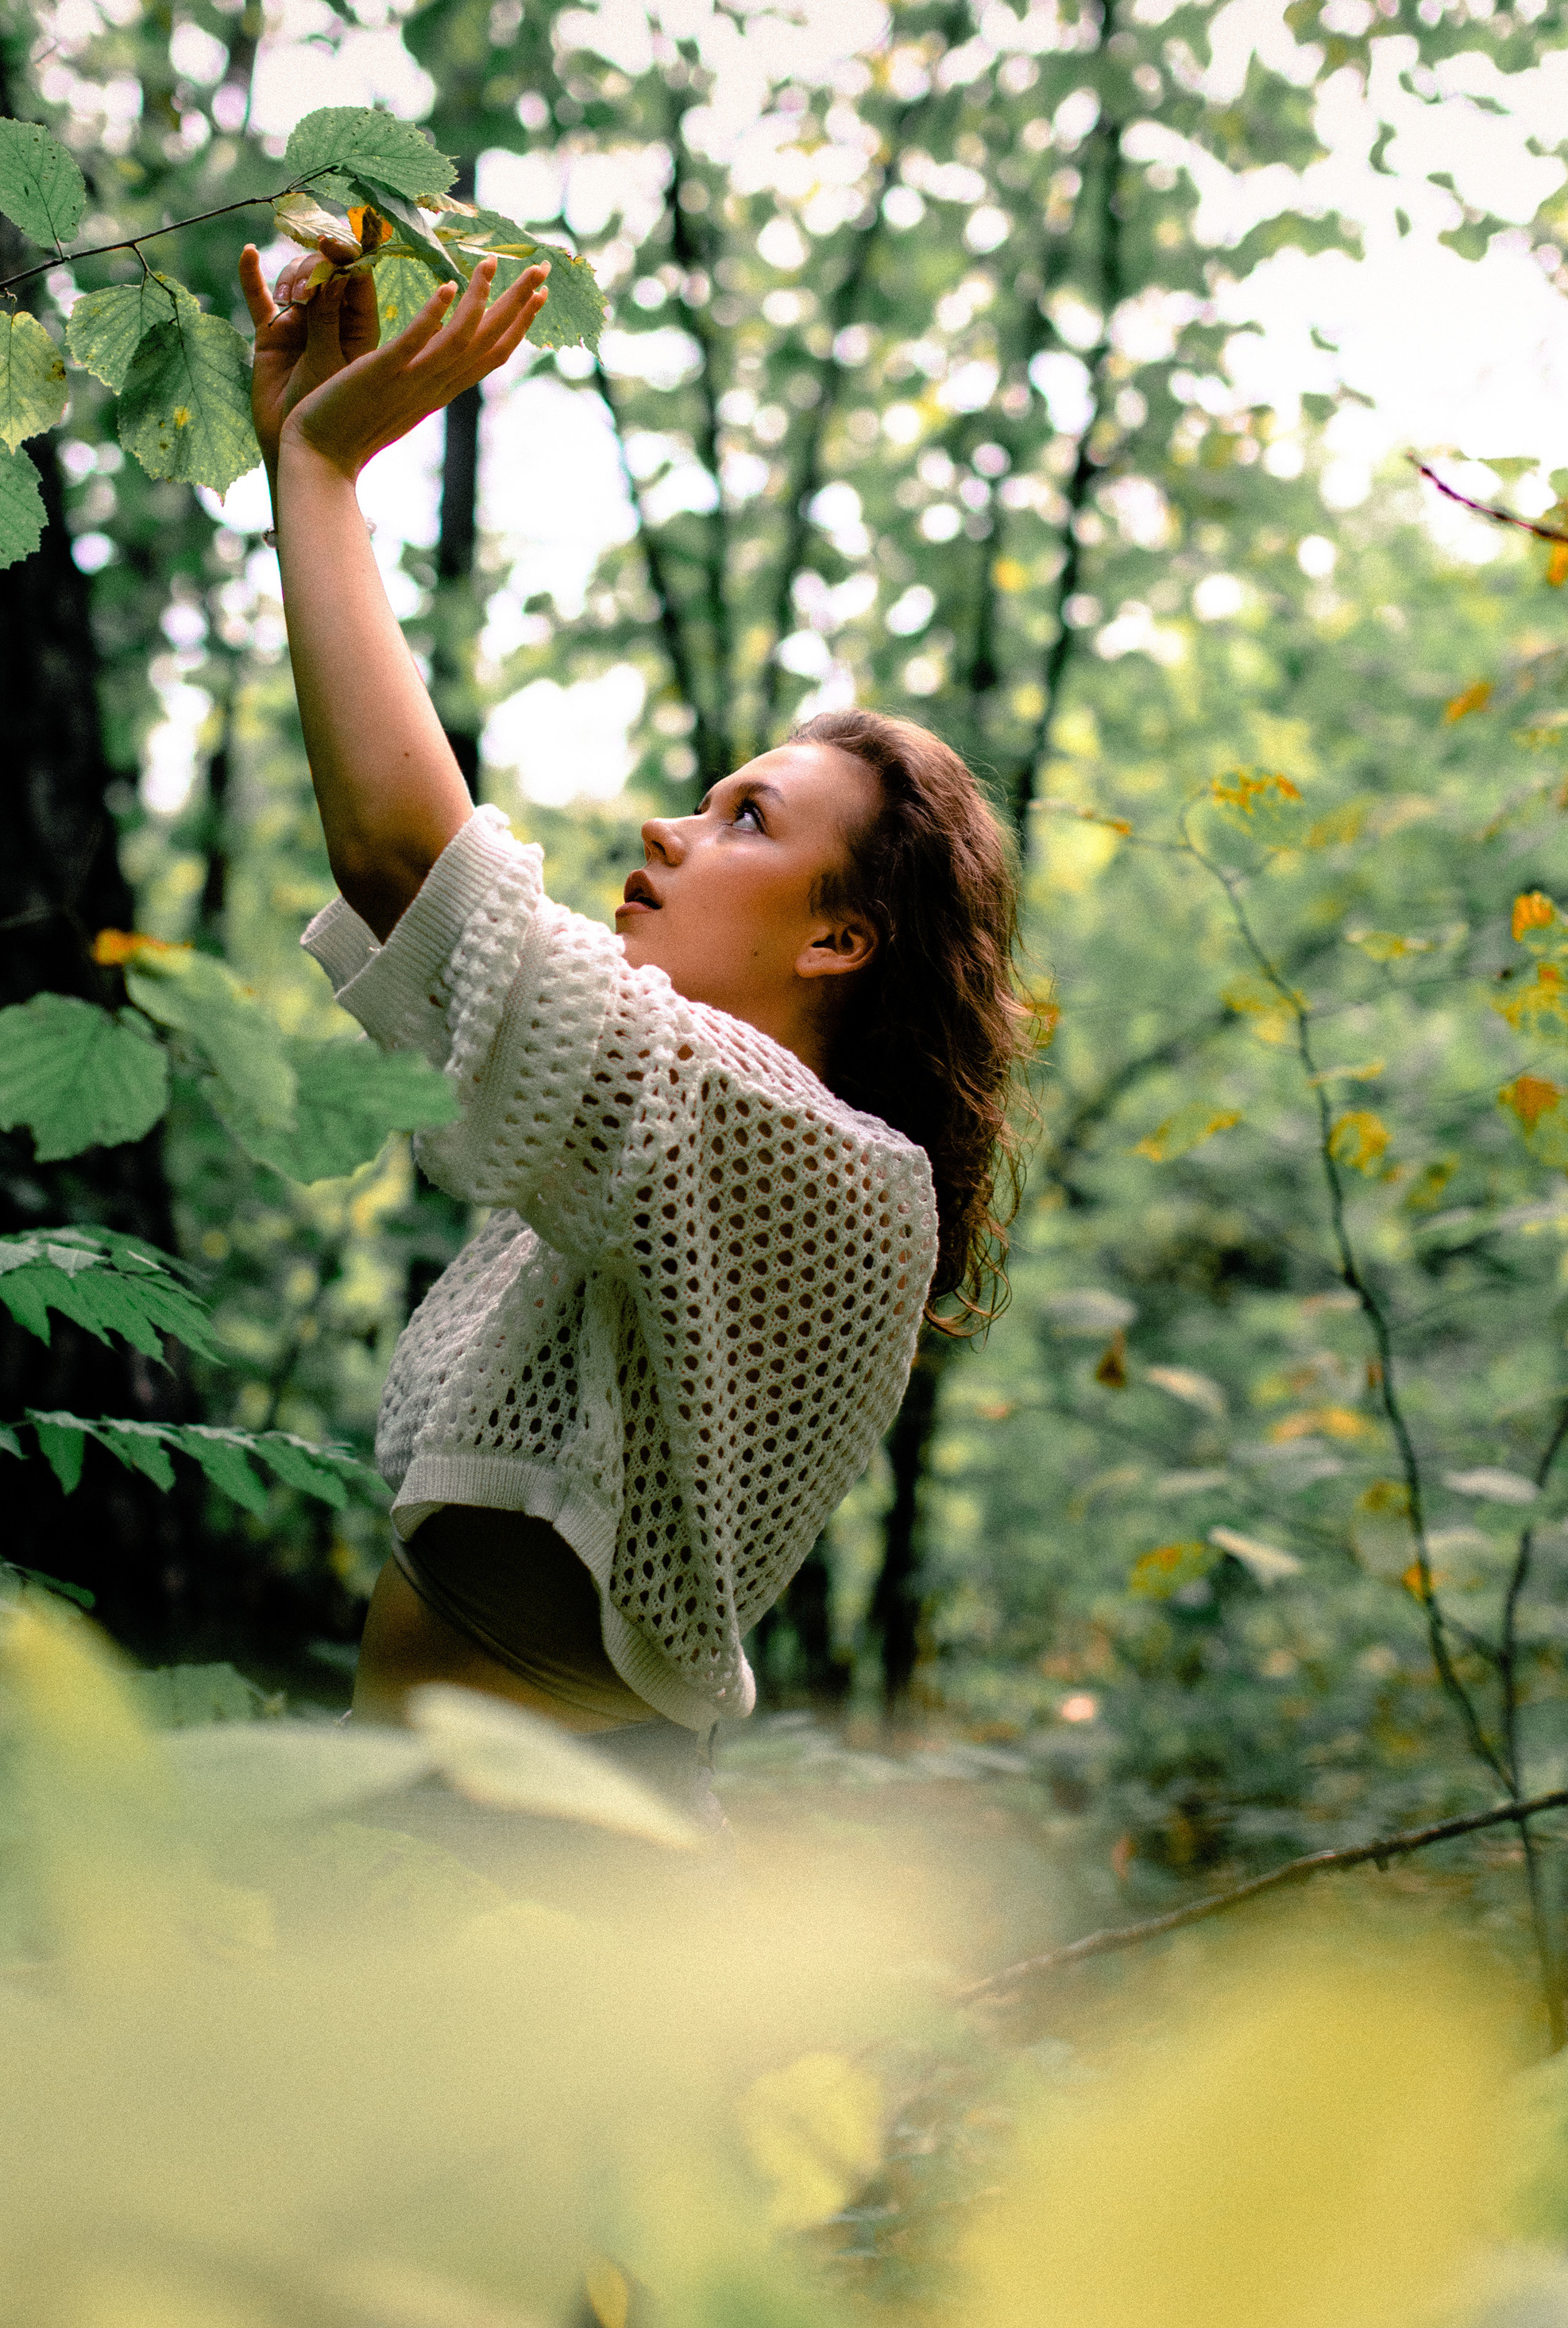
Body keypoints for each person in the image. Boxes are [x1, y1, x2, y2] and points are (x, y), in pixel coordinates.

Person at [237, 234, 1031, 1825]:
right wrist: (295, 453)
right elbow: (430, 933)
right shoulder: (649, 1165)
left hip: (538, 1869)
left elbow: (412, 862)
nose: (667, 830)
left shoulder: (831, 1174)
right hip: (440, 1843)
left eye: (744, 818)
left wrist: (318, 470)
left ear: (835, 936)